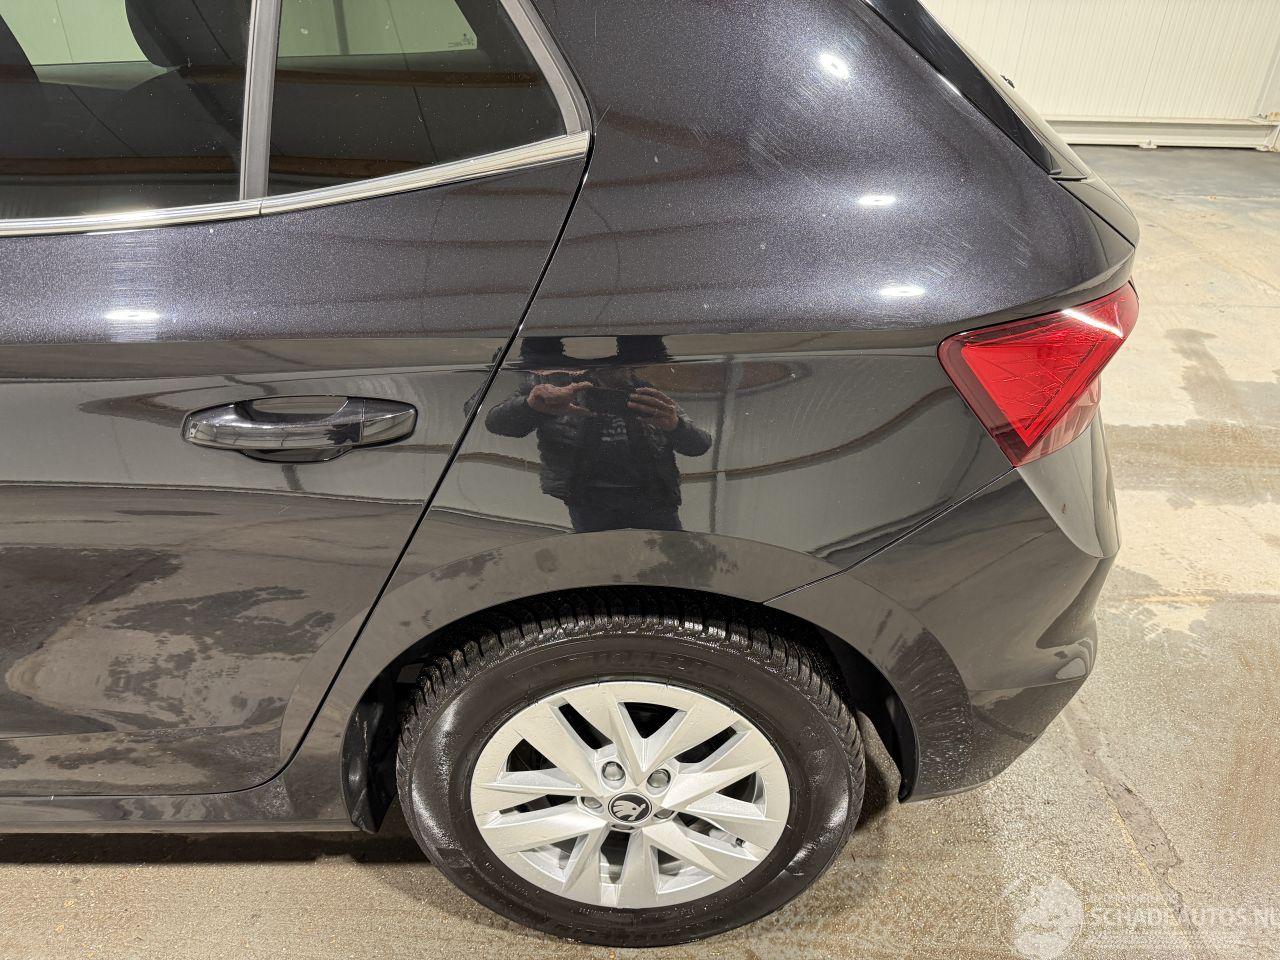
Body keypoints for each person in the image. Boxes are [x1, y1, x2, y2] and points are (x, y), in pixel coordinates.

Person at [485, 337, 712, 532]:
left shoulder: (649, 394)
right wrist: (530, 407)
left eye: (620, 366)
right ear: (590, 367)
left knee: (667, 560)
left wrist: (676, 426)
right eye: (604, 367)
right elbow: (496, 423)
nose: (612, 371)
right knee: (597, 561)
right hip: (588, 503)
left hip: (653, 501)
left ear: (632, 367)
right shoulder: (558, 392)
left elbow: (700, 445)